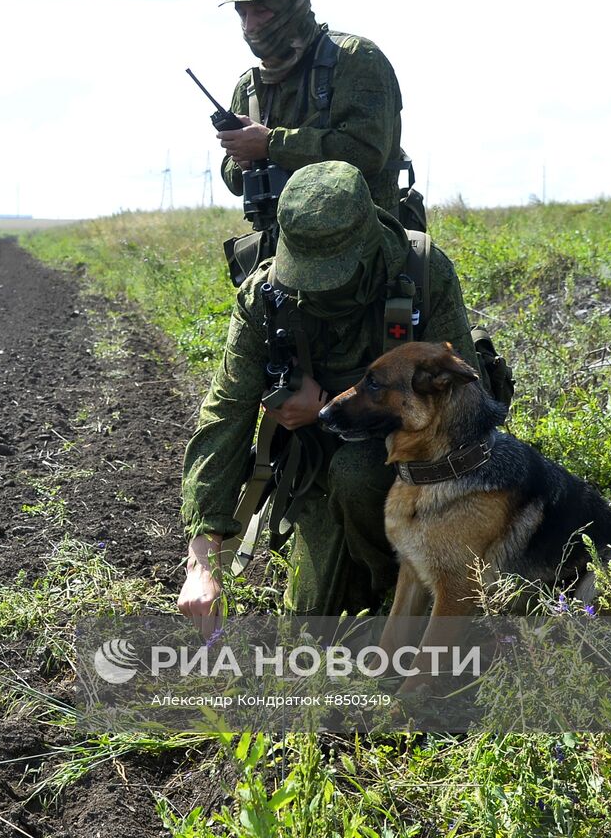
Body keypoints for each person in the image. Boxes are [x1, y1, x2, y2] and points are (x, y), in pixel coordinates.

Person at [177, 161, 482, 636]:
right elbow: (225, 415)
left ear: (366, 247)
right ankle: (368, 575)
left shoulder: (421, 274)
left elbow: (462, 406)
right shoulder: (265, 295)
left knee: (358, 473)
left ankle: (401, 587)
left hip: (408, 463)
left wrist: (325, 411)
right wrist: (203, 560)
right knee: (308, 628)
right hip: (314, 469)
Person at [216, 0, 410, 220]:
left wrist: (271, 144)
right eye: (243, 13)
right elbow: (233, 178)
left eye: (261, 11)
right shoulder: (250, 86)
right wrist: (242, 157)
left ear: (293, 6)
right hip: (278, 244)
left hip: (360, 239)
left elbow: (367, 152)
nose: (250, 26)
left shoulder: (354, 58)